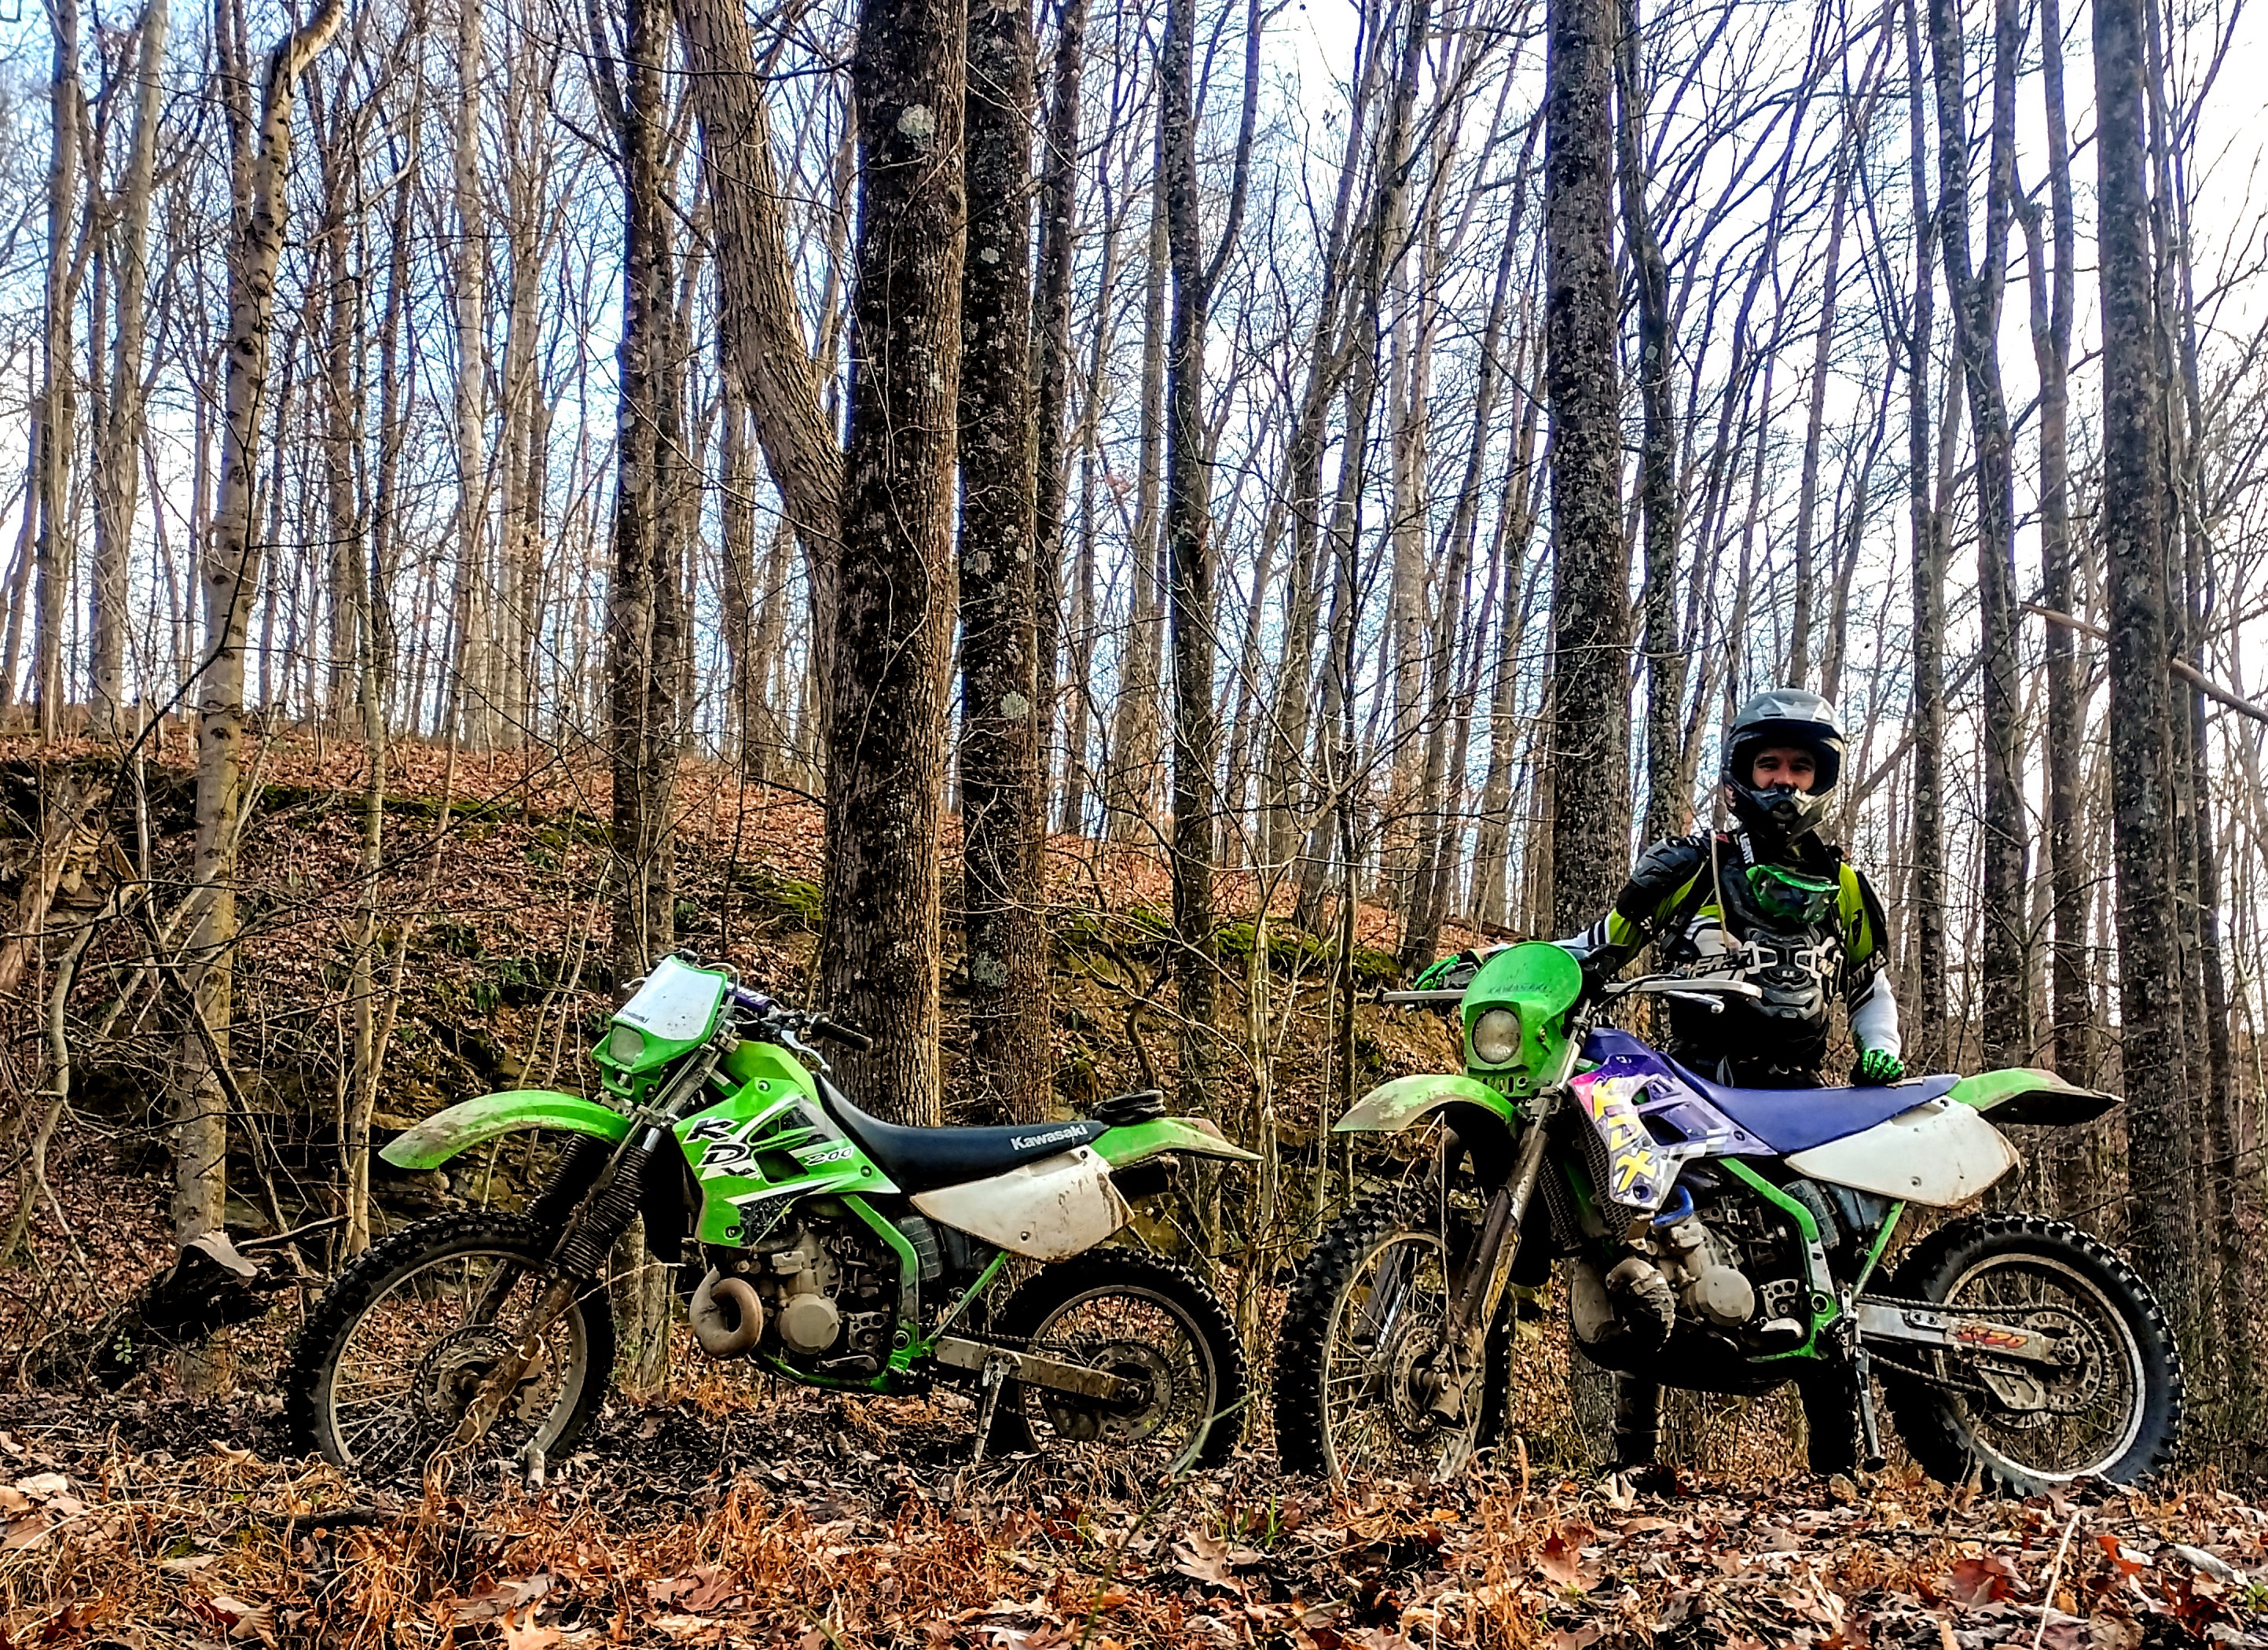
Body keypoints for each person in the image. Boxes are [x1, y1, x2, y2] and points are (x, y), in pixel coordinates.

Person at [1415, 687, 1903, 1472]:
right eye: (1769, 764)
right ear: (1742, 773)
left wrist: (1880, 1047)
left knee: (1825, 1257)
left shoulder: (1844, 885)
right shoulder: (1692, 866)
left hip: (1800, 1095)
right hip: (1693, 1082)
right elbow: (1598, 944)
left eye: (1800, 766)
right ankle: (1633, 1458)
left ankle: (1839, 1469)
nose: (1784, 781)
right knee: (1639, 1230)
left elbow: (1870, 986)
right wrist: (1496, 964)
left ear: (1823, 777)